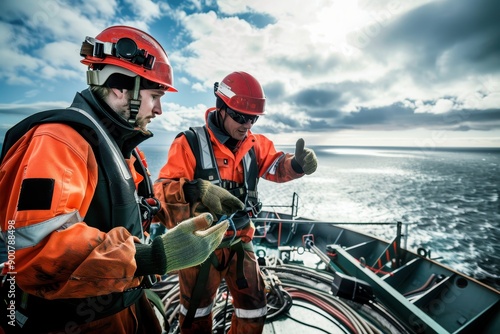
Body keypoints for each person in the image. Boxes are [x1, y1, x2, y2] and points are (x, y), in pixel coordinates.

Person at [0, 26, 239, 333]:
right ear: (120, 88)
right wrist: (149, 258)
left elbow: (140, 208)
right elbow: (33, 250)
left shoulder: (117, 145)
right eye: (155, 96)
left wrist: (194, 191)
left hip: (120, 309)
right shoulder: (59, 142)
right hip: (73, 323)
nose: (160, 109)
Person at [154, 71, 318, 333]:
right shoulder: (190, 143)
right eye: (240, 117)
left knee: (255, 309)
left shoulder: (255, 145)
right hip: (201, 245)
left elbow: (276, 166)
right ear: (221, 108)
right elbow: (161, 191)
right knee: (196, 313)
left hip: (240, 238)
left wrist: (296, 164)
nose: (247, 125)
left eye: (252, 118)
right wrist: (197, 189)